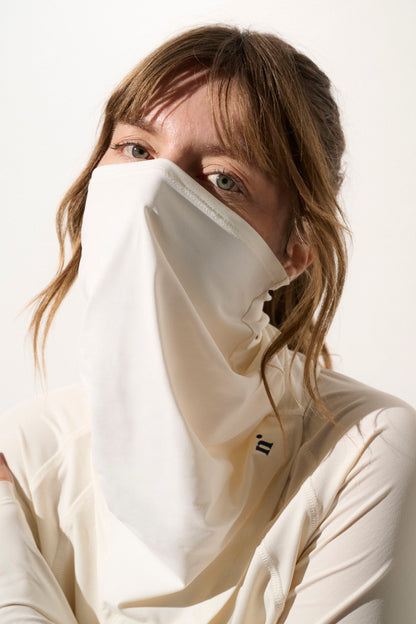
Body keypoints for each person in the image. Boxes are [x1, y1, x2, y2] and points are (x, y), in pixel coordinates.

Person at [0, 24, 415, 624]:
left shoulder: (361, 451)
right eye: (136, 150)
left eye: (223, 179)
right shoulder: (28, 450)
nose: (150, 195)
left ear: (294, 249)